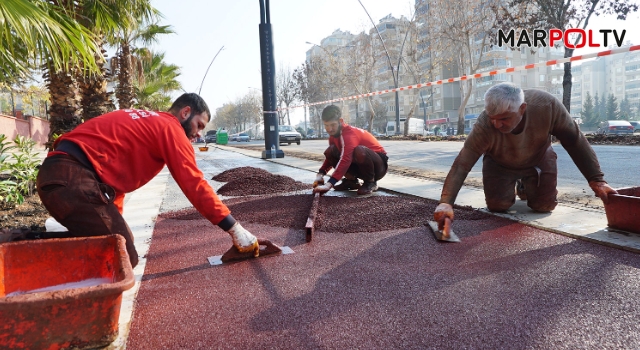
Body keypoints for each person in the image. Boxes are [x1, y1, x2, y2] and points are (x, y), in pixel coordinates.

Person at [36, 93, 260, 268]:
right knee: (122, 256)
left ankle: (33, 246)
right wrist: (234, 228)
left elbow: (112, 185)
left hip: (58, 175)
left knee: (121, 239)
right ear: (186, 112)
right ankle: (28, 257)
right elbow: (194, 183)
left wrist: (115, 222)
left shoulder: (148, 120)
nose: (199, 134)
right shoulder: (171, 128)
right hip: (73, 179)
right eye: (199, 125)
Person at [433, 82, 617, 230]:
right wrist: (446, 203)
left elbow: (574, 141)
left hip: (538, 160)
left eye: (504, 118)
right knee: (498, 205)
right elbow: (462, 165)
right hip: (499, 164)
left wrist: (596, 180)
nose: (496, 124)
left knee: (544, 207)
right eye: (492, 117)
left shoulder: (547, 106)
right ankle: (516, 184)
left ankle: (525, 185)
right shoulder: (483, 125)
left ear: (522, 108)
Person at [312, 105, 388, 195]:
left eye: (333, 125)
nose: (330, 129)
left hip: (378, 167)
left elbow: (346, 159)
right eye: (326, 125)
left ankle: (370, 182)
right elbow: (330, 157)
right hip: (360, 165)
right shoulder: (334, 136)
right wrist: (320, 174)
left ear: (340, 121)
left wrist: (329, 184)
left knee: (359, 151)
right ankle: (352, 181)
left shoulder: (349, 134)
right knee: (331, 150)